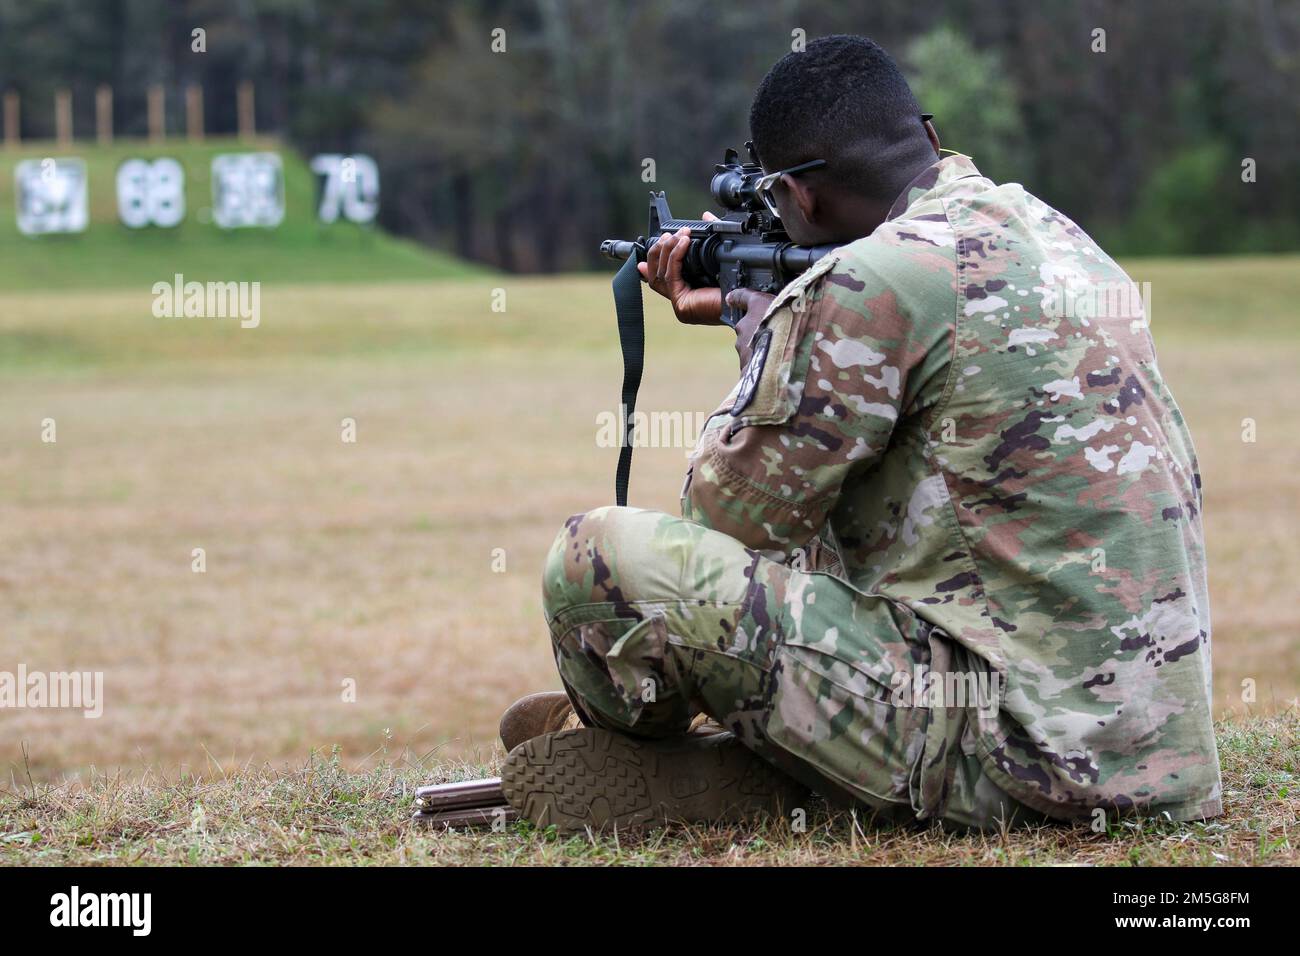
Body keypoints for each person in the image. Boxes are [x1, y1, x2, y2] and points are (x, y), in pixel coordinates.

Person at [498, 34, 1222, 833]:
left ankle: (671, 751)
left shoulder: (869, 279)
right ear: (929, 138)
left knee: (593, 558)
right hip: (1153, 756)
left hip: (1019, 755)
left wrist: (763, 359)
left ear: (801, 199)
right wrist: (794, 333)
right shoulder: (1062, 239)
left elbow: (723, 526)